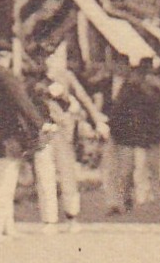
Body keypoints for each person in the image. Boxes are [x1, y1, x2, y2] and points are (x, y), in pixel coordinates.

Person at [31, 44, 106, 234]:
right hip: (42, 133)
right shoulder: (33, 79)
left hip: (64, 132)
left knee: (68, 174)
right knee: (44, 174)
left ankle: (72, 215)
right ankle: (49, 220)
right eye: (44, 57)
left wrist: (97, 120)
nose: (48, 61)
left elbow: (84, 99)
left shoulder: (66, 77)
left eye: (52, 56)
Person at [0, 41, 47, 238]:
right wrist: (40, 123)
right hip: (7, 136)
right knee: (3, 184)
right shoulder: (5, 76)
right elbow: (23, 103)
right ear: (7, 56)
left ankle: (6, 225)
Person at [102, 57, 160, 214]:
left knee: (142, 167)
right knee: (123, 169)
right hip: (120, 132)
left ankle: (140, 196)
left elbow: (155, 105)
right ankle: (120, 200)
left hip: (136, 132)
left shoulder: (141, 85)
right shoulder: (111, 83)